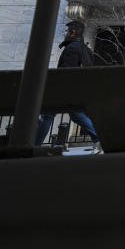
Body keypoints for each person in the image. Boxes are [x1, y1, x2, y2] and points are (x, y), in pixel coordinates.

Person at [34, 21, 103, 153]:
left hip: (64, 90)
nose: (66, 34)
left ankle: (34, 146)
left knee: (48, 115)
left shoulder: (71, 48)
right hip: (76, 89)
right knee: (77, 115)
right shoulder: (85, 49)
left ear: (72, 32)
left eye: (67, 32)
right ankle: (99, 139)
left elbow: (65, 72)